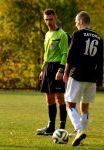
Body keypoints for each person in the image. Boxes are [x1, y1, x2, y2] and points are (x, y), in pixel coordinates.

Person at [63, 11, 103, 146]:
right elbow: (100, 61)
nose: (75, 24)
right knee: (85, 107)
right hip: (92, 77)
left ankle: (79, 130)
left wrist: (66, 72)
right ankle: (82, 132)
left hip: (78, 75)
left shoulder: (78, 34)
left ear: (80, 21)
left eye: (76, 21)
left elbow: (70, 56)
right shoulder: (98, 38)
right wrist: (99, 80)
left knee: (69, 104)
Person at [36, 8, 69, 135]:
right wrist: (42, 69)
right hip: (47, 67)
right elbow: (46, 54)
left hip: (57, 67)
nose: (48, 22)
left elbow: (65, 54)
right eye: (46, 20)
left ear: (55, 18)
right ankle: (50, 127)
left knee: (60, 97)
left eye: (50, 19)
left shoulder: (62, 35)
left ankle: (61, 127)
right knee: (49, 98)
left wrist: (61, 70)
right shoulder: (47, 34)